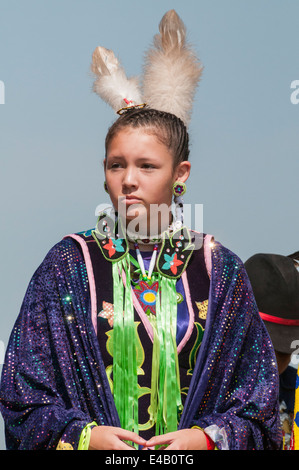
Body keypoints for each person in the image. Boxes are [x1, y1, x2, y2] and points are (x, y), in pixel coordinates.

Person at [0, 10, 282, 451]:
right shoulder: (68, 265)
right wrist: (84, 437)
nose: (129, 179)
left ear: (180, 173)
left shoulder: (219, 270)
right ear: (104, 173)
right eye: (117, 165)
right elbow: (22, 396)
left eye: (147, 166)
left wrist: (208, 439)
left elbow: (259, 402)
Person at [244, 251, 299, 450]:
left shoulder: (295, 390)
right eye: (264, 349)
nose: (273, 362)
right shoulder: (202, 390)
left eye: (282, 352)